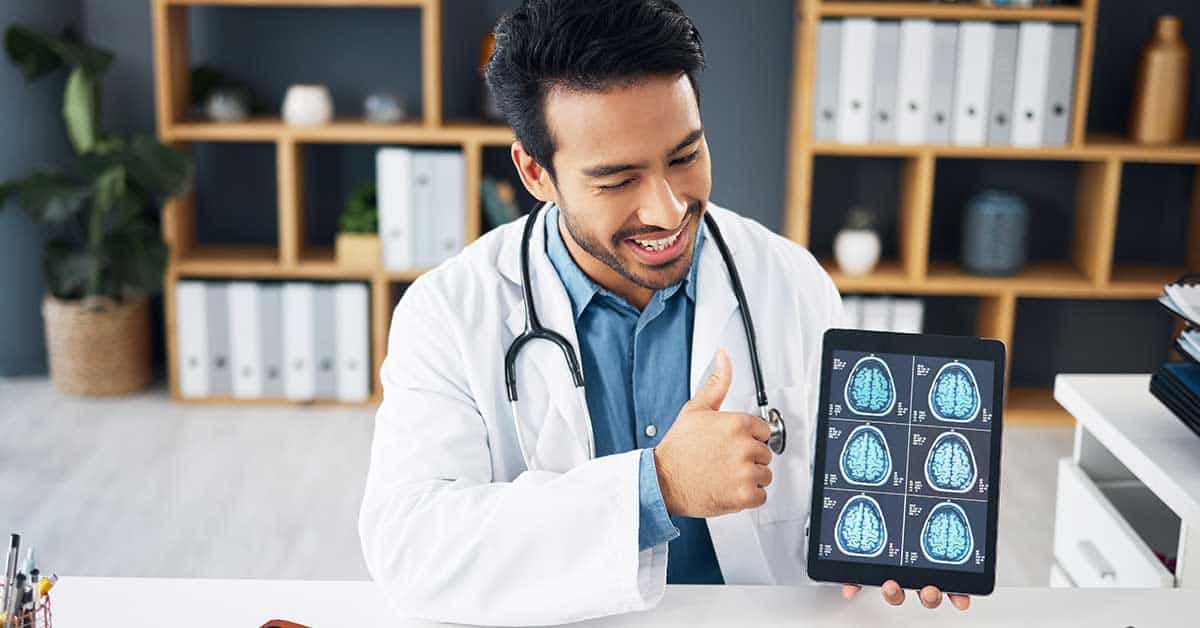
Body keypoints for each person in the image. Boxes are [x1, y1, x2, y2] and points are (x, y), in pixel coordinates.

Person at [358, 0, 969, 624]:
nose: (668, 209)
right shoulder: (449, 312)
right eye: (618, 180)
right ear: (536, 172)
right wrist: (655, 489)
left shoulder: (788, 280)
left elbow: (830, 503)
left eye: (685, 157)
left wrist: (886, 541)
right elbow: (410, 545)